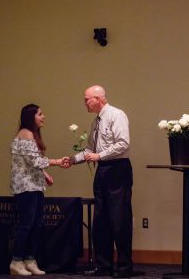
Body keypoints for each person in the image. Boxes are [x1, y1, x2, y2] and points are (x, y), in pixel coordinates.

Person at [70, 86, 133, 278]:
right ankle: (104, 265)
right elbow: (90, 149)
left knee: (119, 219)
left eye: (87, 99)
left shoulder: (116, 115)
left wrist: (99, 155)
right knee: (101, 220)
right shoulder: (95, 122)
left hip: (117, 169)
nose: (85, 103)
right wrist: (72, 160)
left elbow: (123, 143)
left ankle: (124, 267)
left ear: (98, 99)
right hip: (103, 170)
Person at [9, 103, 69, 276]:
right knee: (26, 225)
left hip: (35, 186)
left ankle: (29, 260)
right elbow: (34, 161)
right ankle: (16, 261)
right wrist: (57, 162)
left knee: (36, 224)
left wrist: (45, 174)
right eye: (40, 114)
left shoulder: (32, 134)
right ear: (31, 117)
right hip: (25, 187)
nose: (43, 117)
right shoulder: (25, 134)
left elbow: (32, 161)